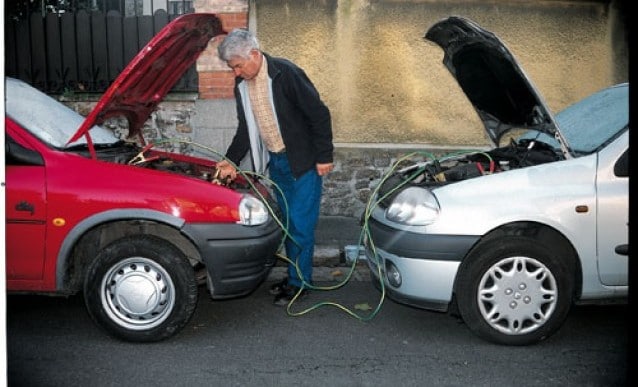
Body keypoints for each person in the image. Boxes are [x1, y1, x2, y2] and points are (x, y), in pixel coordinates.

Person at [215, 28, 334, 306]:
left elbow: (319, 114)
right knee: (287, 224)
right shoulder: (241, 85)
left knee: (300, 226)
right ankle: (295, 277)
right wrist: (230, 161)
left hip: (303, 162)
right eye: (233, 67)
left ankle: (300, 284)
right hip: (276, 162)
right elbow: (245, 130)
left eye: (238, 65)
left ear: (254, 55)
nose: (236, 72)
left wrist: (324, 156)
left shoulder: (286, 73)